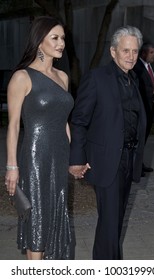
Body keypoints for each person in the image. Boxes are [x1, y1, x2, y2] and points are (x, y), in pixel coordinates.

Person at [69, 26, 146, 260]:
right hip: (106, 160)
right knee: (110, 224)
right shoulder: (96, 77)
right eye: (126, 50)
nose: (131, 56)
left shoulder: (134, 79)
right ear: (113, 52)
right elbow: (79, 120)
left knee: (114, 222)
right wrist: (76, 159)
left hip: (128, 159)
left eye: (135, 51)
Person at [5, 16, 74, 260]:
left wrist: (74, 157)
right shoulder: (22, 77)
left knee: (55, 214)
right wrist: (12, 166)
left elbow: (64, 120)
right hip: (35, 158)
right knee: (37, 219)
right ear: (39, 41)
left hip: (59, 155)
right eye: (54, 38)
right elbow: (13, 126)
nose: (61, 43)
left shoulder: (63, 77)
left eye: (63, 38)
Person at [133, 42, 154, 176]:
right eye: (151, 52)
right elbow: (136, 87)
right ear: (143, 53)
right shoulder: (136, 67)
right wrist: (153, 90)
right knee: (138, 138)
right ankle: (135, 167)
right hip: (141, 109)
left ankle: (140, 164)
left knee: (144, 138)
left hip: (151, 109)